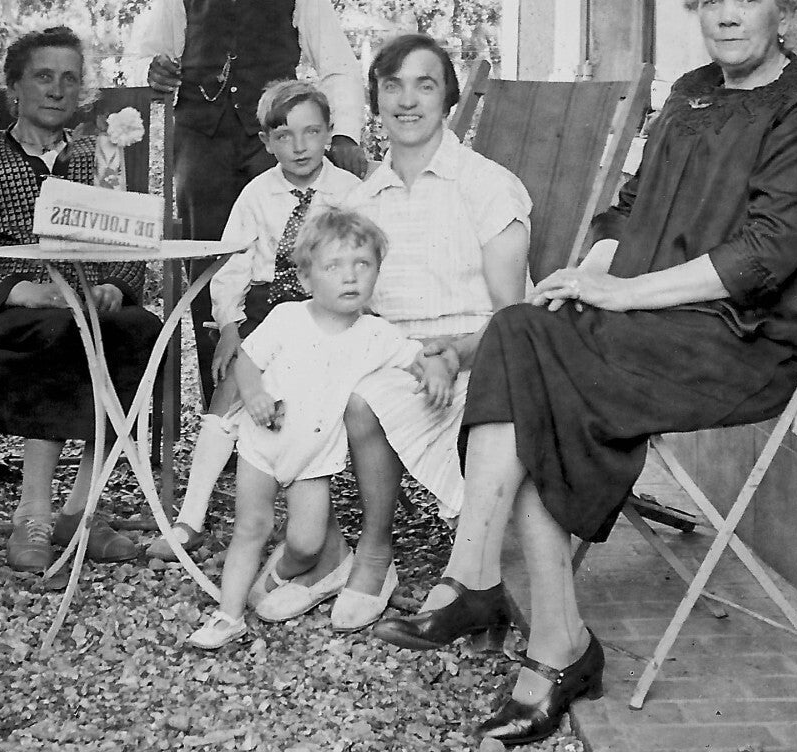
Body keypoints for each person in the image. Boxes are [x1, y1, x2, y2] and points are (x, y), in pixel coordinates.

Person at [373, 0, 797, 747]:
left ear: (786, 7)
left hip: (740, 341)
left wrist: (625, 293)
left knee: (533, 365)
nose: (727, 16)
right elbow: (628, 209)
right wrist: (585, 275)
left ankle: (499, 597)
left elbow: (761, 259)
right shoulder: (692, 94)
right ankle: (536, 623)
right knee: (527, 328)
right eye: (711, 0)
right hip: (648, 323)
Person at [248, 33, 532, 632]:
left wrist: (453, 353)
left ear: (449, 98)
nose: (407, 100)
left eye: (424, 85)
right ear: (375, 100)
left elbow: (515, 318)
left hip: (484, 362)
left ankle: (373, 556)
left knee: (360, 398)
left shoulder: (486, 184)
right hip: (392, 358)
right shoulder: (362, 200)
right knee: (290, 380)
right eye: (392, 86)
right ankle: (324, 549)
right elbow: (345, 309)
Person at [0, 26, 164, 576]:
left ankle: (79, 511)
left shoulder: (97, 159)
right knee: (65, 334)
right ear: (14, 86)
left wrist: (114, 286)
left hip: (87, 306)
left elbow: (128, 240)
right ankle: (32, 514)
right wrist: (26, 292)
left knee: (140, 330)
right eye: (44, 76)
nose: (57, 89)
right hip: (1, 311)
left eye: (70, 79)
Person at [133, 0, 366, 406]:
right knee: (207, 261)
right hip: (201, 142)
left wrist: (345, 135)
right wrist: (151, 69)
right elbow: (145, 52)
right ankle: (222, 402)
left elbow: (336, 62)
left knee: (280, 260)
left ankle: (288, 396)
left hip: (273, 144)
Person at [186, 209, 426, 649]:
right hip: (264, 444)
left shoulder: (377, 334)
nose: (350, 277)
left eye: (363, 264)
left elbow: (416, 358)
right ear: (306, 278)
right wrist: (254, 394)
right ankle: (228, 616)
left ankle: (281, 572)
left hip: (313, 460)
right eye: (333, 267)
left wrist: (437, 371)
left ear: (378, 271)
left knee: (307, 542)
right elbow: (247, 361)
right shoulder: (287, 317)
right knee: (250, 528)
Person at [146, 78, 363, 560]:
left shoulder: (350, 193)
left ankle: (307, 522)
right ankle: (190, 519)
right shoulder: (256, 194)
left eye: (311, 132)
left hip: (327, 311)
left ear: (329, 134)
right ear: (266, 142)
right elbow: (233, 267)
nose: (299, 146)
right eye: (284, 135)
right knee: (234, 386)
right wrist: (229, 328)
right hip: (266, 312)